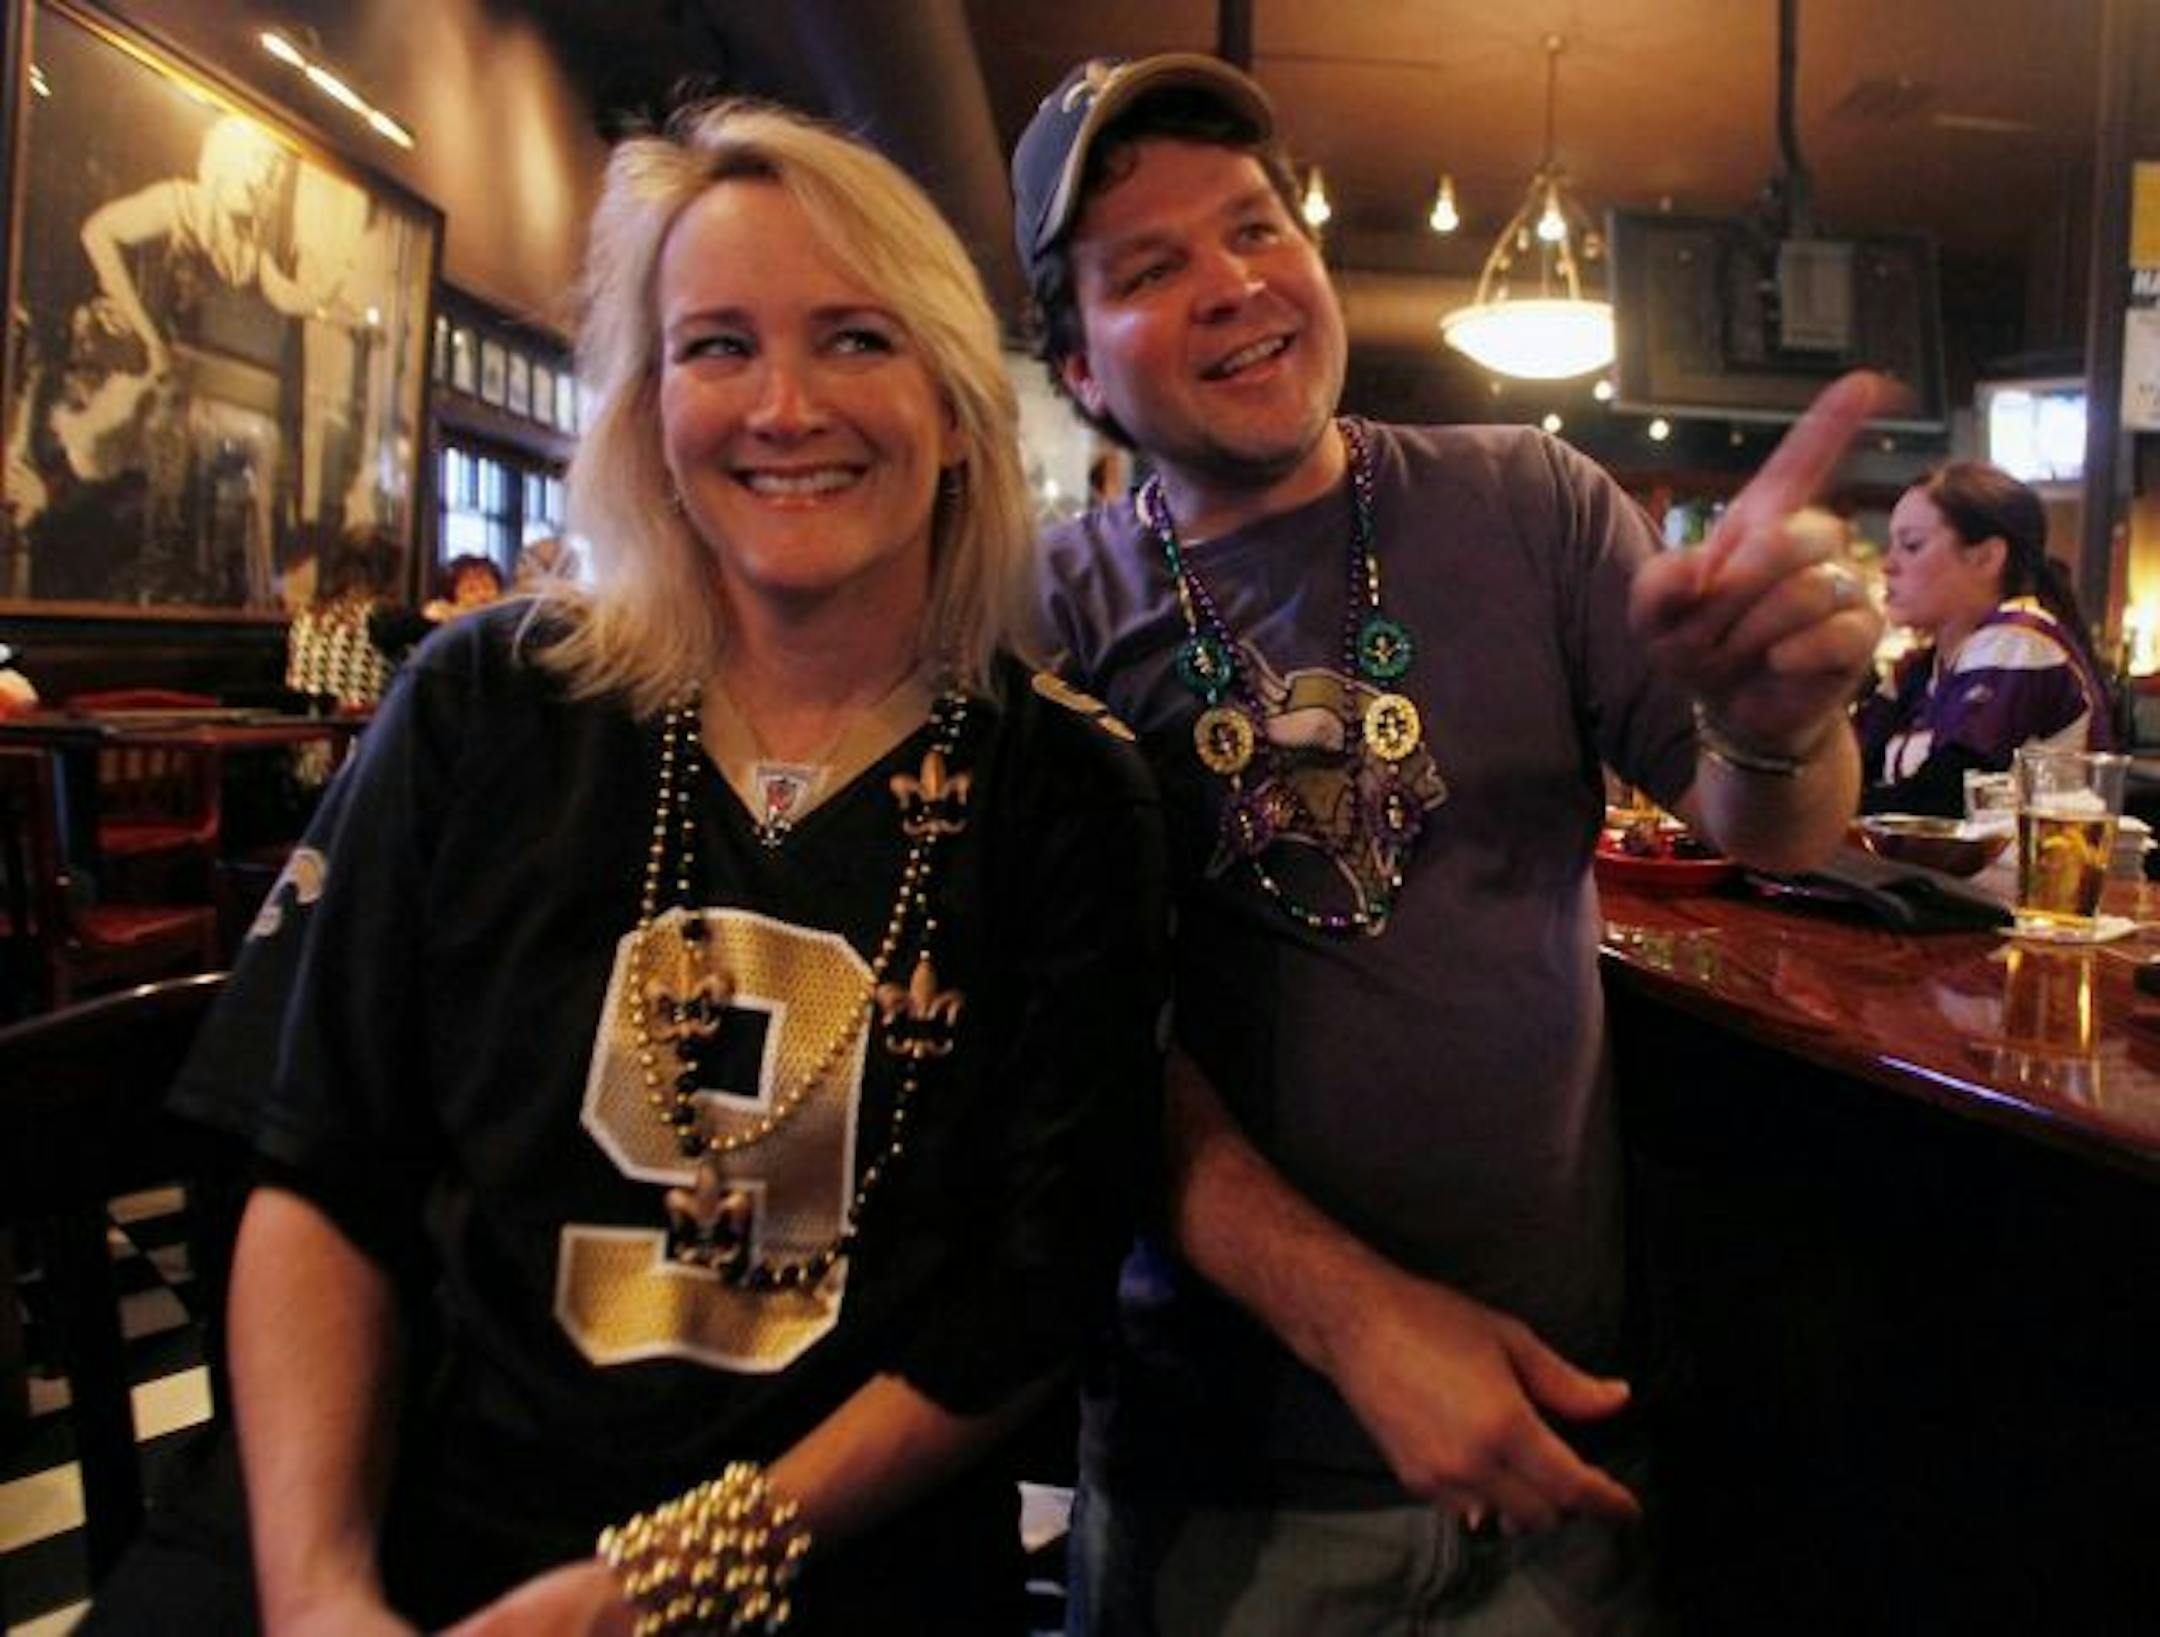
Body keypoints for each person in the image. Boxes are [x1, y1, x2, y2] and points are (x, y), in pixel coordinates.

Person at [86, 97, 1165, 1637]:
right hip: (418, 1507)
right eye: (715, 345)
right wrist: (323, 1590)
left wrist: (650, 1588)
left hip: (831, 1558)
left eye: (854, 337)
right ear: (647, 403)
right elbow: (318, 1157)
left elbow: (1027, 1304)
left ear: (954, 398)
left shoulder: (1063, 788)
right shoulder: (484, 703)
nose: (782, 405)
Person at [1011, 53, 1888, 1633]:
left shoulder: (1529, 501)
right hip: (1229, 1483)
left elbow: (1773, 822)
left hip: (1558, 1441)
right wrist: (1362, 1327)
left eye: (1258, 228)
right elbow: (1081, 1053)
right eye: (1151, 269)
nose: (1233, 286)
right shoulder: (1049, 617)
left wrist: (1777, 721)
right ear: (1077, 366)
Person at [1853, 460, 2114, 816]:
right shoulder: (1917, 671)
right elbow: (1843, 772)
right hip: (1935, 871)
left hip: (2028, 869)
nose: (1888, 564)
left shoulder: (2019, 642)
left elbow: (1943, 799)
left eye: (1911, 546)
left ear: (1987, 557)